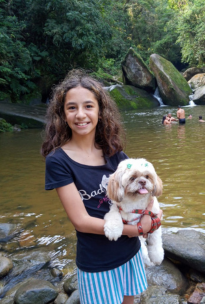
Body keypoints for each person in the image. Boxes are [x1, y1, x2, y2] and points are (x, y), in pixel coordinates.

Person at [41, 69, 162, 304]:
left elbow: (145, 196)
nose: (80, 115)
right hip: (97, 261)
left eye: (88, 106)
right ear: (62, 113)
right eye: (72, 107)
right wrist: (138, 230)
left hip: (130, 253)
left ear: (99, 110)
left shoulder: (115, 154)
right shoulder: (58, 161)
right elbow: (81, 221)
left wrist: (154, 218)